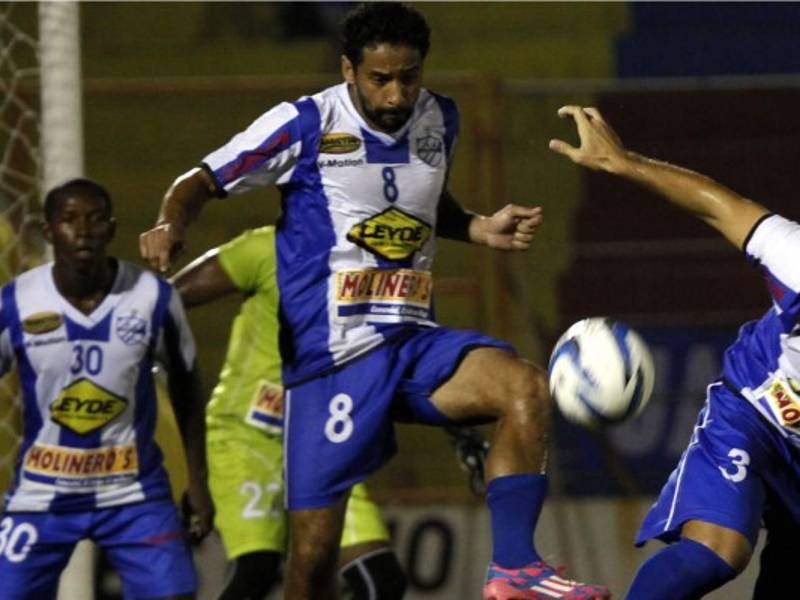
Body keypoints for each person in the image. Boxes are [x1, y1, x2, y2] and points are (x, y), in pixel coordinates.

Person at [140, 4, 610, 599]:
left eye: (408, 77)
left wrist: (477, 227)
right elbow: (201, 180)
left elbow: (422, 202)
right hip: (330, 361)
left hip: (412, 340)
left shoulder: (442, 118)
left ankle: (514, 571)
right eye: (378, 79)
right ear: (348, 70)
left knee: (524, 386)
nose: (394, 95)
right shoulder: (303, 123)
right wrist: (169, 222)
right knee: (311, 562)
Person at [550, 105, 800, 599]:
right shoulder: (796, 259)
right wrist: (627, 163)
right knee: (715, 552)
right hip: (756, 413)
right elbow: (722, 207)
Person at [0, 178, 213, 600]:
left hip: (132, 491)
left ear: (112, 231)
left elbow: (188, 386)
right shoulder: (17, 302)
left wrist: (199, 482)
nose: (83, 231)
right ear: (48, 231)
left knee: (175, 595)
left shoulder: (153, 298)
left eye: (96, 220)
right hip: (43, 491)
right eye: (69, 220)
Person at [173, 225, 407, 599]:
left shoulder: (374, 265)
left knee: (381, 580)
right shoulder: (265, 249)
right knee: (258, 570)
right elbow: (161, 303)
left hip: (327, 438)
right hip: (248, 437)